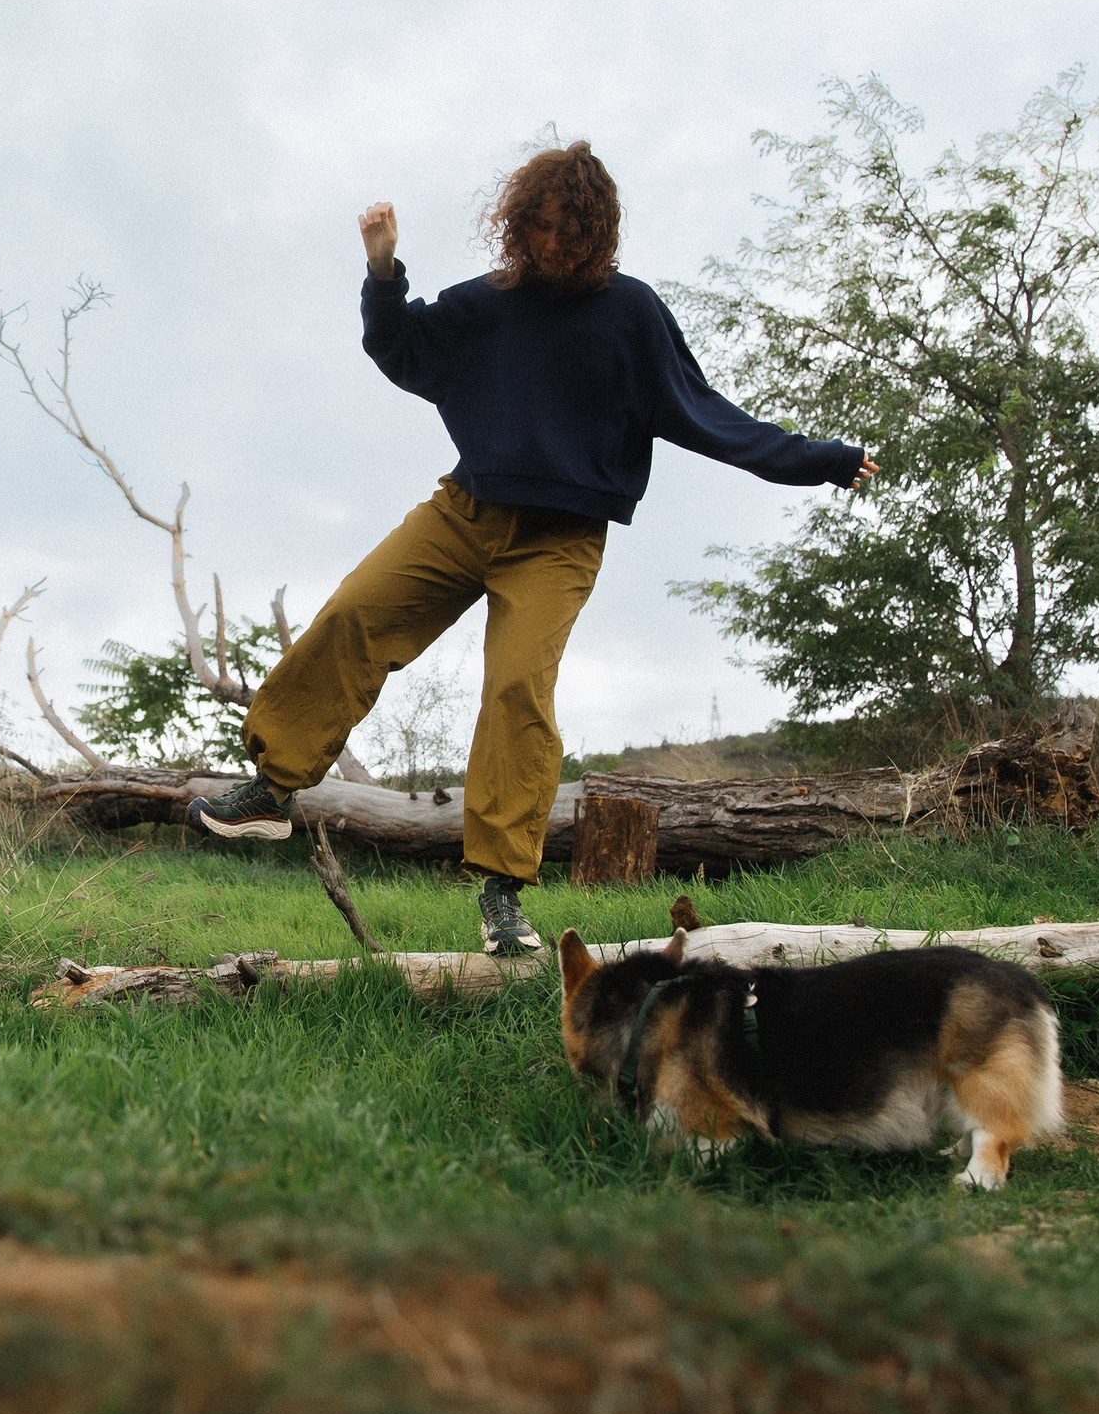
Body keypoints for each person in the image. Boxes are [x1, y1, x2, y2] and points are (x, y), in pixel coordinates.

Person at [189, 141, 876, 955]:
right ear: (519, 225)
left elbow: (708, 415)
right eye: (540, 228)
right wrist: (382, 274)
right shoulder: (491, 303)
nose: (553, 245)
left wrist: (821, 460)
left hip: (558, 541)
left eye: (571, 232)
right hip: (466, 509)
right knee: (354, 614)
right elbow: (404, 349)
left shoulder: (632, 315)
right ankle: (273, 788)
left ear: (599, 234)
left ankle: (502, 893)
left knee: (518, 687)